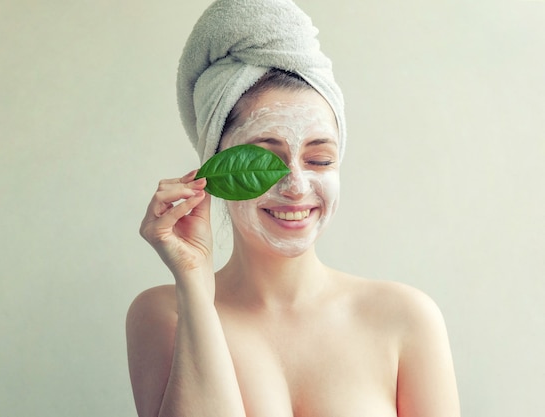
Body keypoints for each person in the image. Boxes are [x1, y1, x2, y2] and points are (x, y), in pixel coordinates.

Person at [126, 1, 460, 416]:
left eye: (320, 160)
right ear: (219, 166)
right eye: (265, 161)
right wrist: (194, 286)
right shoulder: (165, 313)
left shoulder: (405, 318)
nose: (297, 186)